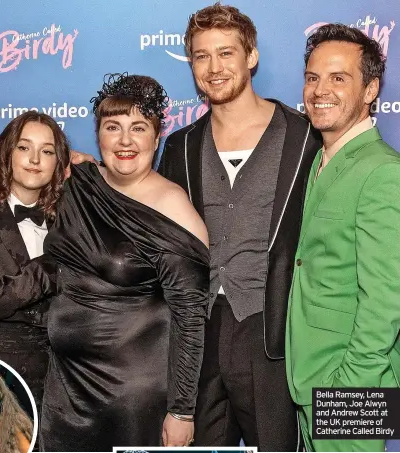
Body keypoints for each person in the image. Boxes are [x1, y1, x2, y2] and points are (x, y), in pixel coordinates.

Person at [157, 3, 321, 450]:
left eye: (226, 53)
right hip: (200, 335)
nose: (213, 68)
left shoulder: (305, 137)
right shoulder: (180, 146)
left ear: (251, 57)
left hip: (273, 332)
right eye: (201, 56)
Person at [40, 73, 209, 450]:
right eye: (112, 127)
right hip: (63, 389)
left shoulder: (173, 208)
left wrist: (182, 410)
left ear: (157, 136)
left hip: (131, 398)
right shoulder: (79, 182)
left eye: (139, 128)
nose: (125, 140)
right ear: (98, 135)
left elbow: (191, 318)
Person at [285, 23, 400, 452]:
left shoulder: (383, 172)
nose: (320, 90)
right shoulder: (322, 158)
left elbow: (386, 300)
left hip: (351, 388)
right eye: (313, 78)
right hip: (311, 377)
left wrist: (349, 387)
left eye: (339, 78)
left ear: (370, 90)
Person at [0, 111, 70, 414]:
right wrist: (46, 271)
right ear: (7, 151)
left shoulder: (69, 220)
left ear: (58, 164)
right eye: (24, 147)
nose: (35, 159)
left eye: (47, 151)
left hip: (57, 382)